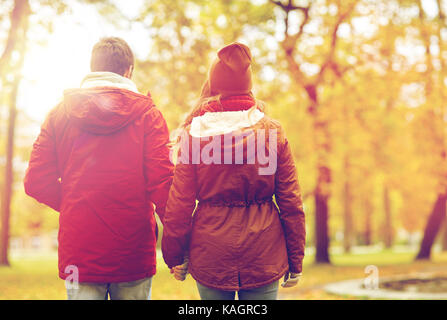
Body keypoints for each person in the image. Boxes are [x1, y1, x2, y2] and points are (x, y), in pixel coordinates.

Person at [24, 37, 173, 300]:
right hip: (133, 250)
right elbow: (163, 185)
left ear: (93, 68)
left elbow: (36, 180)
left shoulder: (59, 114)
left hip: (79, 251)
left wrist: (75, 202)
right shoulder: (149, 116)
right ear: (128, 71)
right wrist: (179, 238)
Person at [162, 42, 306, 300]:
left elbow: (179, 204)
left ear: (214, 85)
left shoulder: (194, 135)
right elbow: (290, 202)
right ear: (248, 85)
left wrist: (175, 255)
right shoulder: (272, 132)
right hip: (264, 252)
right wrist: (296, 259)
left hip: (210, 253)